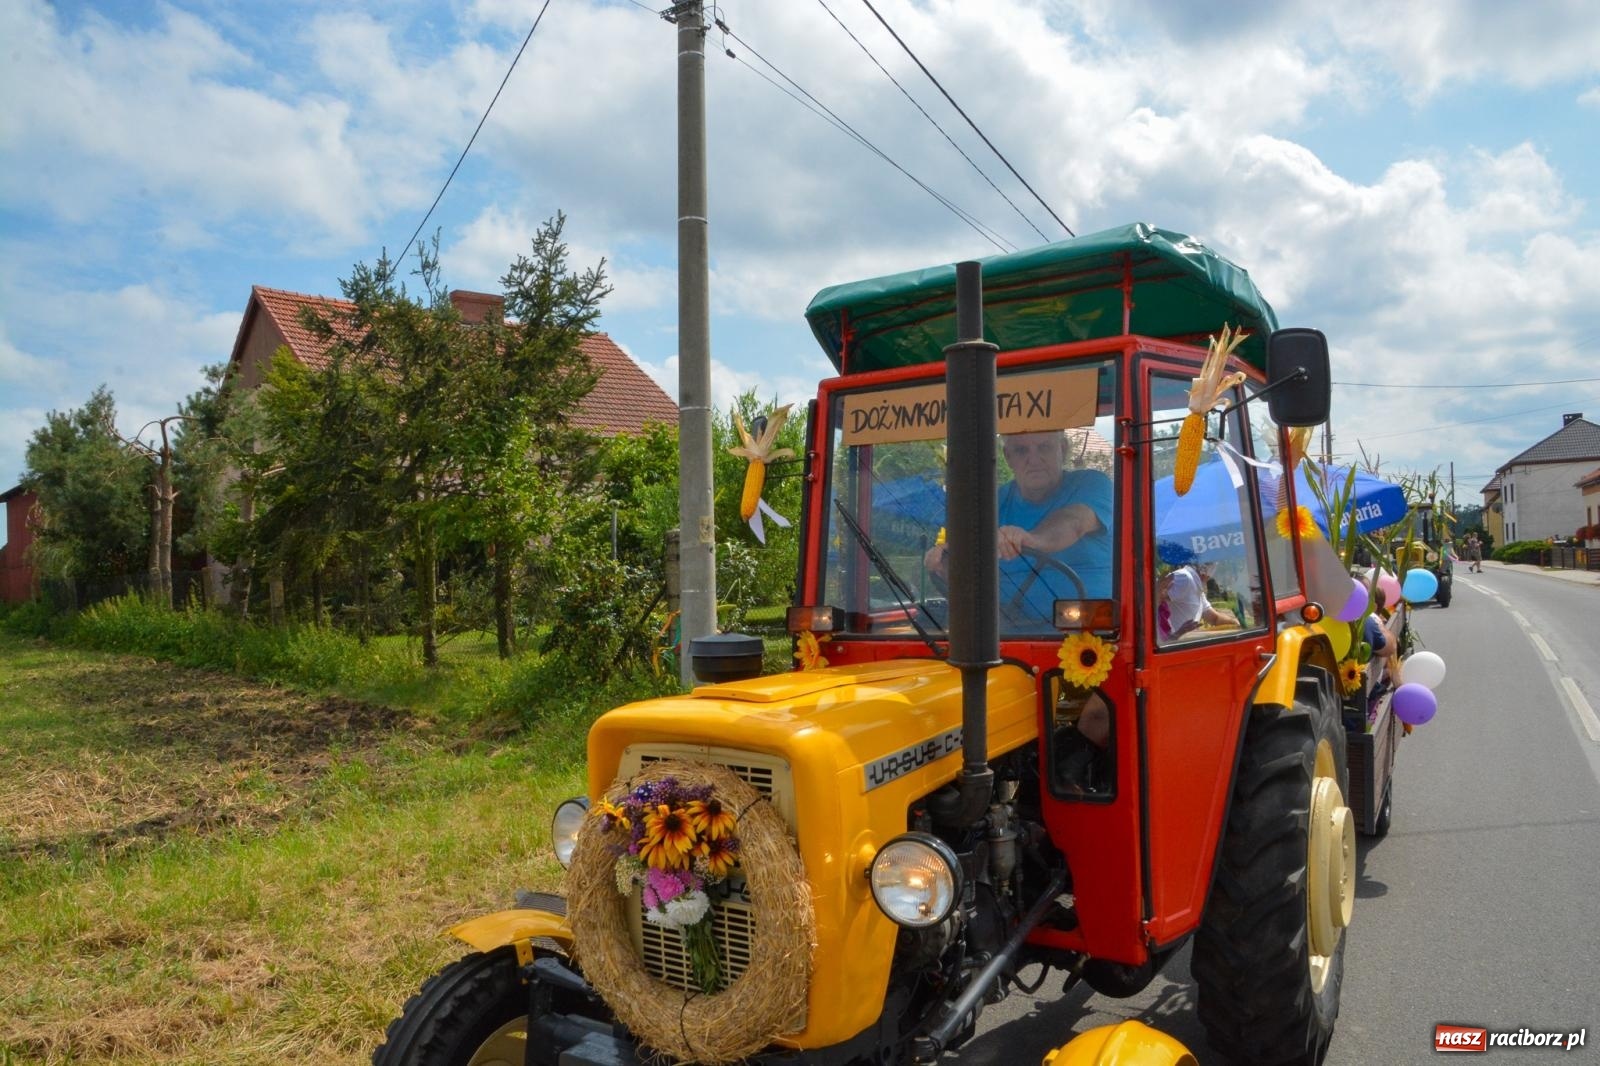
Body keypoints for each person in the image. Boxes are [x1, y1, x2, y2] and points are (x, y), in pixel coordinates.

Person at [923, 430, 1112, 620]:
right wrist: (945, 565)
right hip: (1006, 634)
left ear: (1062, 449)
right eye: (1021, 451)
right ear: (1008, 457)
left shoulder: (1091, 484)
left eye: (1044, 447)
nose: (1034, 459)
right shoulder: (990, 504)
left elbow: (1074, 521)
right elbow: (969, 578)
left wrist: (1032, 539)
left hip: (1090, 632)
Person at [1157, 559, 1238, 640]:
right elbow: (1152, 600)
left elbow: (1214, 618)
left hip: (1182, 645)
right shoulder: (1184, 578)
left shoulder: (1197, 587)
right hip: (1170, 647)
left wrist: (1235, 623)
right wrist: (1176, 635)